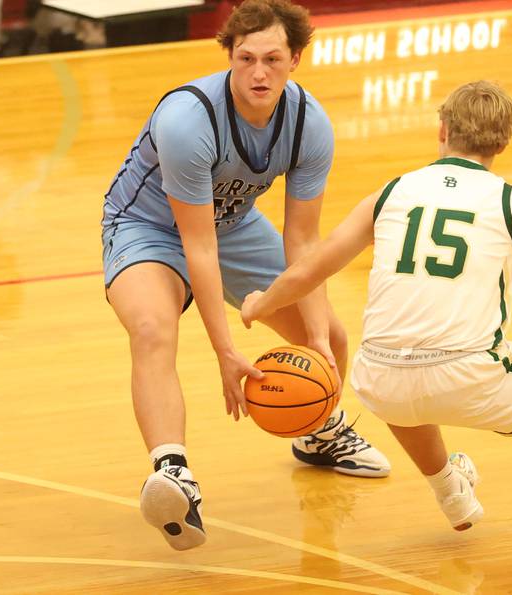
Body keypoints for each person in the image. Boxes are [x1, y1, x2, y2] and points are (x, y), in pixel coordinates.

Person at [241, 81, 512, 594]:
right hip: (470, 374)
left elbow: (310, 268)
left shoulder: (390, 193)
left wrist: (262, 302)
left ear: (442, 130)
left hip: (377, 378)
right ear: (502, 144)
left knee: (400, 374)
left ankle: (451, 493)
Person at [101, 0, 390, 551]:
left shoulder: (309, 124)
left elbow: (304, 241)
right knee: (152, 328)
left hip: (232, 226)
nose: (259, 73)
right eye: (246, 58)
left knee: (327, 335)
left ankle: (318, 430)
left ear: (295, 60)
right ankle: (173, 473)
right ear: (230, 57)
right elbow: (196, 246)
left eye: (273, 60)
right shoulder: (189, 120)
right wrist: (225, 350)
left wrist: (318, 350)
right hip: (148, 226)